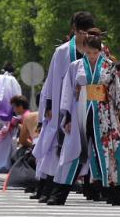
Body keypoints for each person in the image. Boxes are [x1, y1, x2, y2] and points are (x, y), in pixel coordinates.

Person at [47, 28, 120, 206]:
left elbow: (115, 91)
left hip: (104, 112)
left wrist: (117, 114)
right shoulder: (75, 66)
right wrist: (68, 117)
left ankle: (117, 192)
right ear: (84, 50)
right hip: (80, 109)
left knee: (107, 151)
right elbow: (68, 92)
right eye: (88, 52)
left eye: (95, 52)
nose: (92, 56)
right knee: (73, 149)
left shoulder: (109, 66)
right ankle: (58, 193)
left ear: (100, 50)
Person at [30, 11, 96, 202]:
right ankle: (47, 188)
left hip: (90, 105)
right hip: (64, 105)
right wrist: (49, 105)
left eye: (87, 32)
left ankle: (94, 188)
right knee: (57, 145)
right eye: (80, 32)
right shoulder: (62, 52)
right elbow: (52, 80)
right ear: (73, 30)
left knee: (91, 145)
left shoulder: (97, 50)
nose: (84, 36)